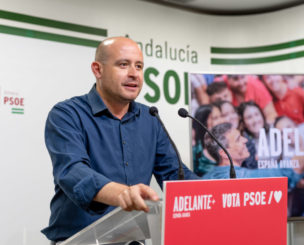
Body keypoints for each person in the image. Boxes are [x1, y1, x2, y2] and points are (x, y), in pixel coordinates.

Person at [42, 37, 199, 243]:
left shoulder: (150, 118)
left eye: (139, 66)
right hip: (79, 240)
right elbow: (72, 171)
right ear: (98, 70)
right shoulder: (66, 114)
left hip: (133, 239)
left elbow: (174, 173)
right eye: (123, 65)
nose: (134, 73)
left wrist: (215, 196)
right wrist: (122, 194)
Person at [202, 122, 304, 190]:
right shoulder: (244, 179)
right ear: (224, 153)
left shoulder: (203, 181)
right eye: (238, 139)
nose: (245, 140)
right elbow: (289, 171)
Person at [192, 104, 224, 176]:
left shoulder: (227, 142)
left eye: (221, 116)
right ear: (203, 122)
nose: (222, 121)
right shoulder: (196, 152)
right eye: (216, 118)